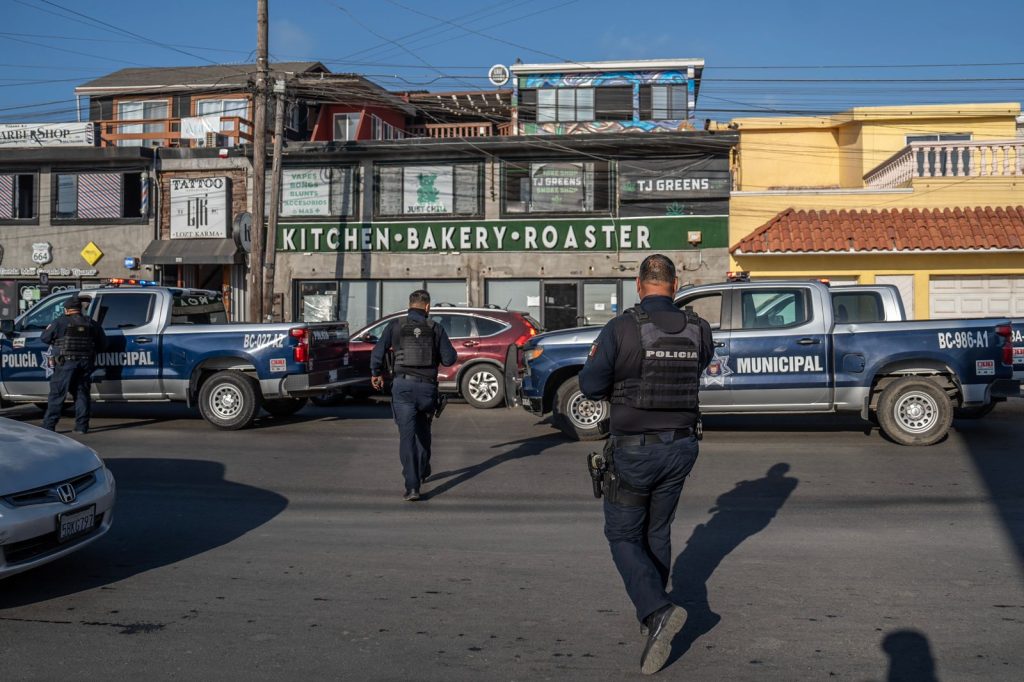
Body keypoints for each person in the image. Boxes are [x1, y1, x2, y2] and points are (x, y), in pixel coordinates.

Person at [578, 254, 714, 675]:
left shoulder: (622, 327)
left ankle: (656, 611)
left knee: (621, 534)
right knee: (657, 530)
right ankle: (653, 611)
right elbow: (700, 366)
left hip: (635, 450)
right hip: (681, 448)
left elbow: (590, 384)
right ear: (675, 284)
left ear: (640, 285)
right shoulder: (699, 328)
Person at [370, 290, 457, 501]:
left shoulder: (396, 326)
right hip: (427, 390)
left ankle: (412, 487)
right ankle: (422, 468)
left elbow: (378, 352)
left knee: (406, 438)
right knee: (424, 434)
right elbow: (449, 359)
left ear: (410, 305)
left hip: (403, 388)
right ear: (427, 307)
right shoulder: (436, 328)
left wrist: (376, 373)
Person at [41, 295, 105, 434]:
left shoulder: (59, 322)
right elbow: (102, 344)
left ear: (67, 309)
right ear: (79, 309)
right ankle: (82, 426)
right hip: (85, 363)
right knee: (82, 393)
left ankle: (49, 426)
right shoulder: (91, 323)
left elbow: (45, 338)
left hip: (65, 363)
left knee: (57, 394)